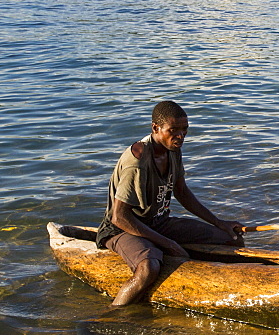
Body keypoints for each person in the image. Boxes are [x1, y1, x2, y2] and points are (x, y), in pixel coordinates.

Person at [94, 101, 244, 306]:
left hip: (158, 223)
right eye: (173, 130)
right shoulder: (137, 160)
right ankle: (112, 316)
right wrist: (168, 244)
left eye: (185, 130)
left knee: (232, 239)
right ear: (156, 128)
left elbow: (181, 191)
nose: (180, 136)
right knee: (149, 269)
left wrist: (219, 222)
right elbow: (119, 217)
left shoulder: (172, 149)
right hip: (122, 230)